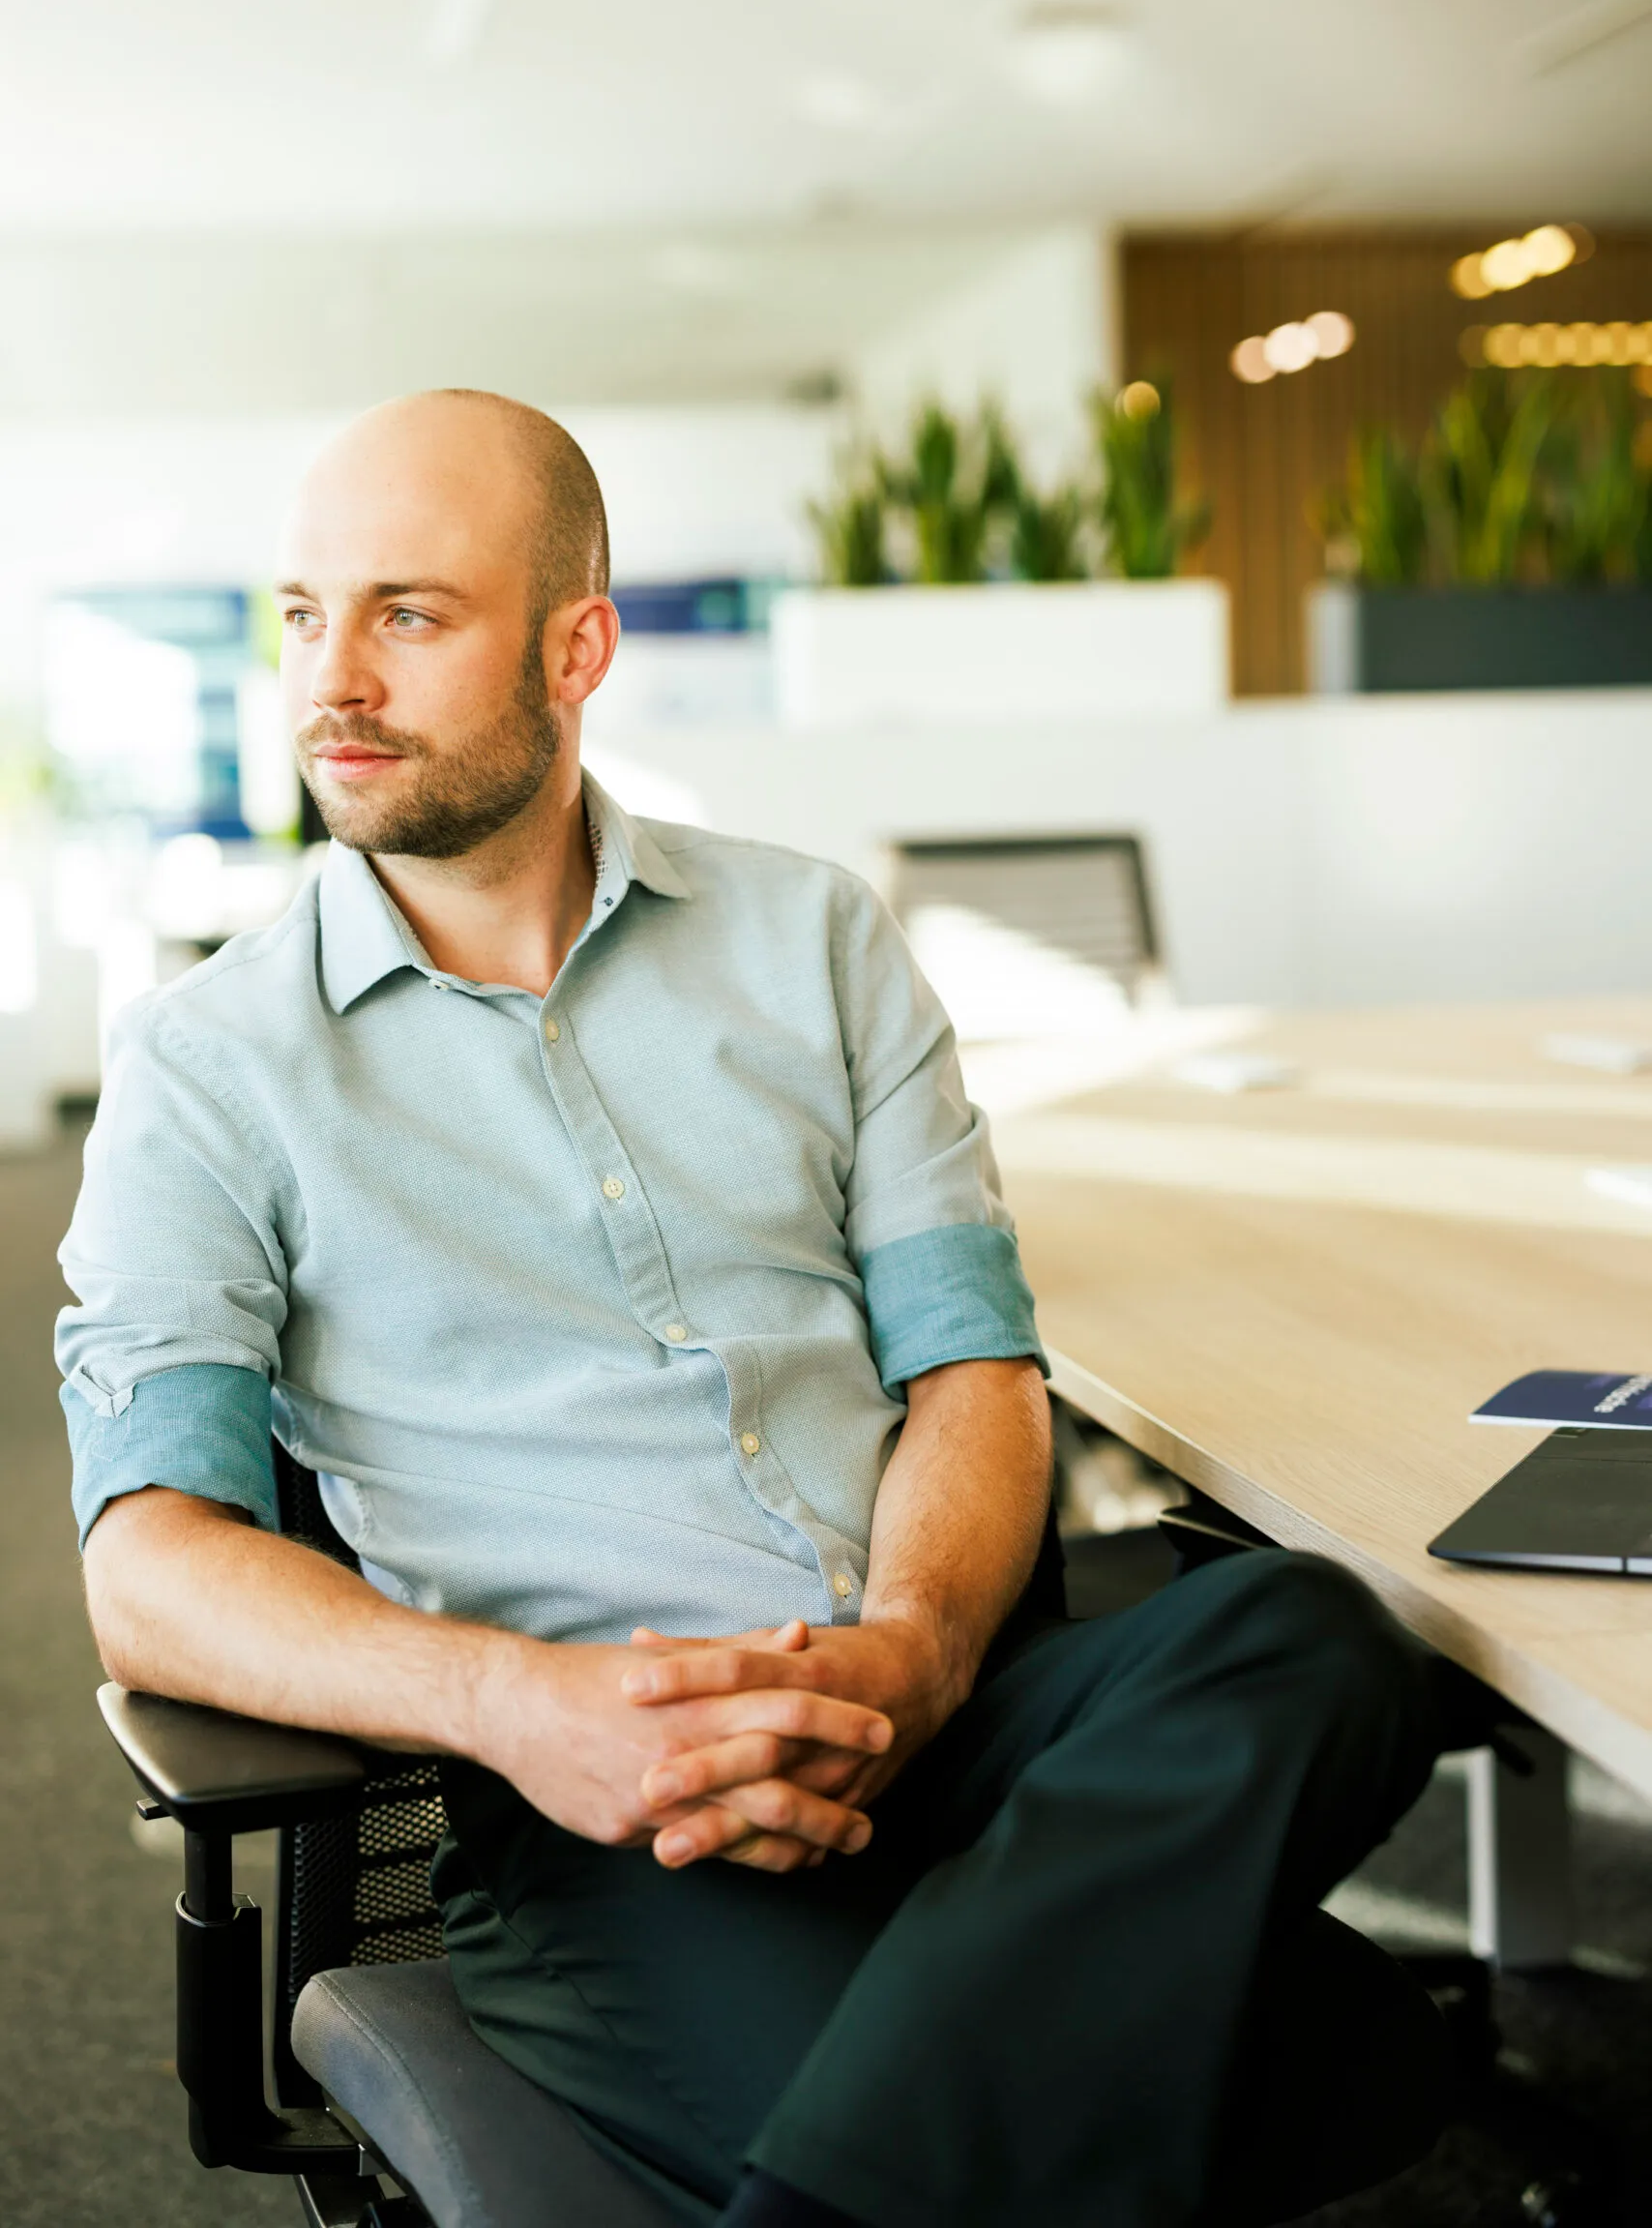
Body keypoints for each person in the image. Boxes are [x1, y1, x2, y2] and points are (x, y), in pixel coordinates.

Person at [59, 391, 1447, 2228]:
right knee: (1338, 2059)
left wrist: (918, 1653)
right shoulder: (210, 1064)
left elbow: (973, 1367)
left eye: (408, 613)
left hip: (943, 1715)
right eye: (305, 614)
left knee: (1311, 1634)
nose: (333, 680)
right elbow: (147, 1560)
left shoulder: (818, 941)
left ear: (577, 647)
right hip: (615, 1815)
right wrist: (530, 1709)